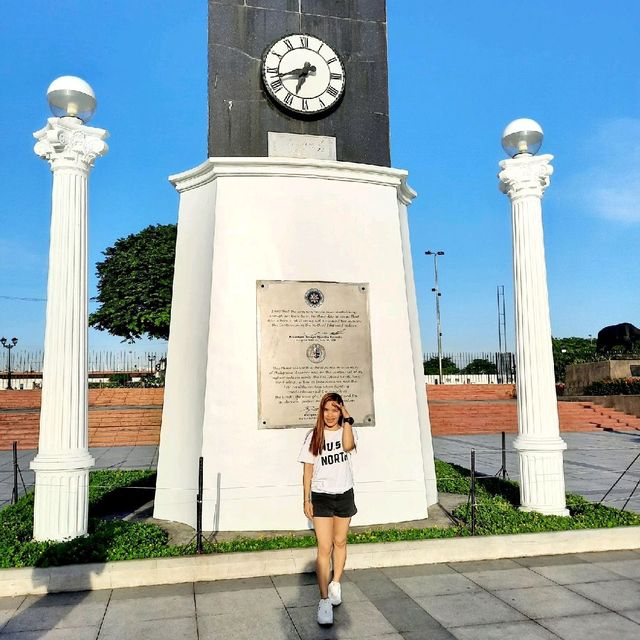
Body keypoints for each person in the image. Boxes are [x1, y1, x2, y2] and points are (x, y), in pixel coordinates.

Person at [298, 392, 358, 626]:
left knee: (340, 542)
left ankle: (336, 584)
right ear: (320, 412)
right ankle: (324, 600)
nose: (330, 415)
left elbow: (348, 446)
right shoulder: (313, 436)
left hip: (344, 494)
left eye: (335, 409)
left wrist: (348, 419)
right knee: (324, 547)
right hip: (321, 496)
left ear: (341, 410)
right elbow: (307, 471)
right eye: (326, 410)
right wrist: (306, 499)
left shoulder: (347, 430)